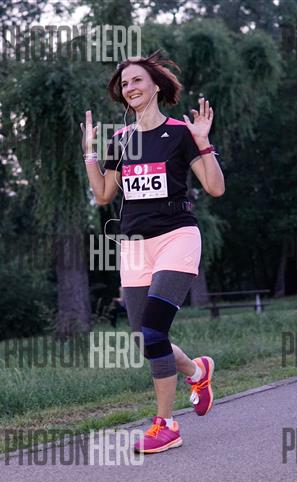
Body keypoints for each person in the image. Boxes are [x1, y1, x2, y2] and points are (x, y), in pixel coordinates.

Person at [81, 50, 225, 454]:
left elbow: (215, 188)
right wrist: (90, 153)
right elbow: (103, 195)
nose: (130, 87)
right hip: (134, 246)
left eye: (137, 80)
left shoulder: (180, 133)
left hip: (176, 237)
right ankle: (197, 370)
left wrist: (204, 143)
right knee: (144, 338)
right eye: (124, 83)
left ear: (156, 86)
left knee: (155, 330)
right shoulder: (120, 140)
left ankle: (166, 425)